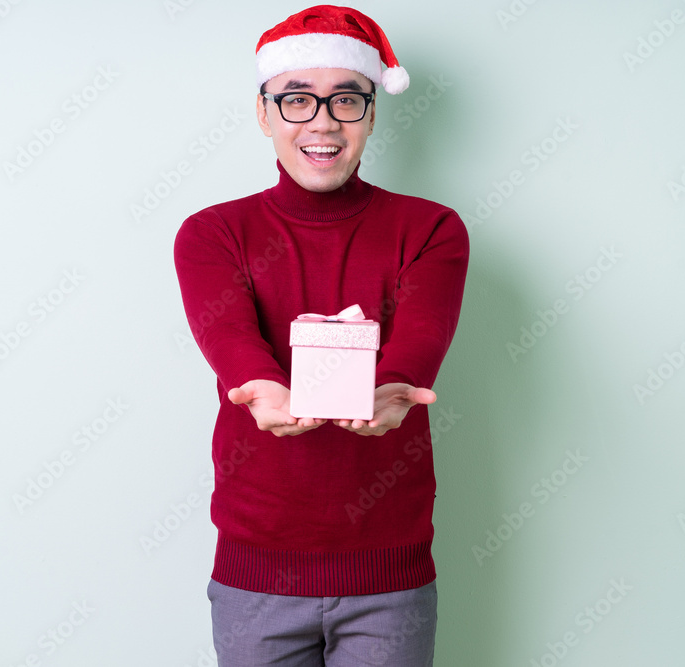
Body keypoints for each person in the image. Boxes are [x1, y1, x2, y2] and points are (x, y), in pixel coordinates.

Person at [173, 5, 468, 666]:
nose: (323, 121)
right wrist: (263, 389)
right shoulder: (213, 234)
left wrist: (395, 385)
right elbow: (232, 344)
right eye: (298, 99)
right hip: (256, 575)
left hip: (388, 574)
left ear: (371, 111)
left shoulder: (431, 229)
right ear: (265, 112)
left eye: (346, 99)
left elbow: (420, 338)